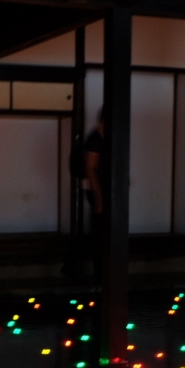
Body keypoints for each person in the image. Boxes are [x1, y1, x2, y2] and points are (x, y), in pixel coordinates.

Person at [81, 107, 109, 282]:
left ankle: (102, 272)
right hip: (98, 192)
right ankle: (99, 273)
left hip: (103, 192)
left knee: (103, 233)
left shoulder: (101, 138)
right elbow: (90, 169)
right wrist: (99, 198)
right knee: (99, 233)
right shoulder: (95, 139)